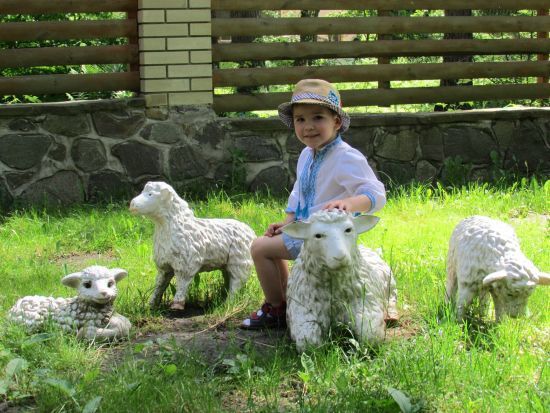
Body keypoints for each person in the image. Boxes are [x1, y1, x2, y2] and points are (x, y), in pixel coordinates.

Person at [240, 79, 387, 330]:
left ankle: (276, 308)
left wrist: (349, 203)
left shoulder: (345, 157)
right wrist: (287, 223)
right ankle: (290, 300)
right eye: (300, 119)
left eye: (318, 117)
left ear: (336, 122)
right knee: (268, 244)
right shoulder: (307, 154)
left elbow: (375, 194)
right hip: (307, 231)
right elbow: (298, 193)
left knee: (259, 248)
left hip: (326, 238)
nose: (308, 126)